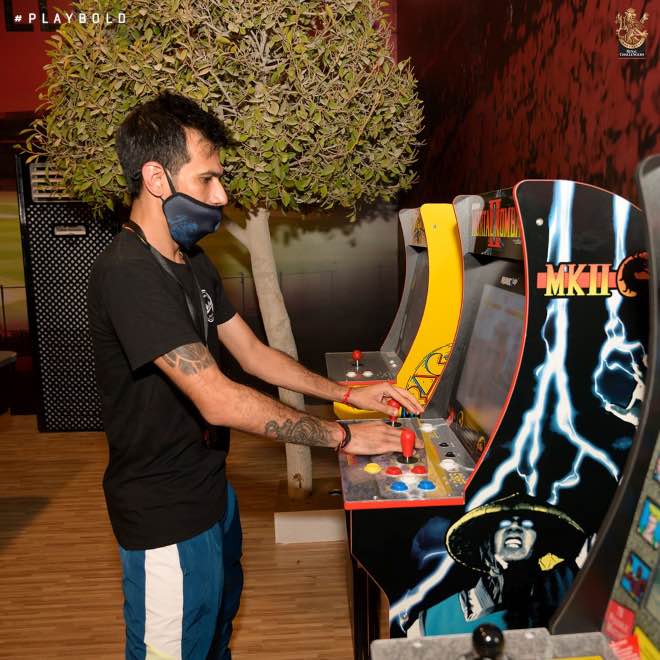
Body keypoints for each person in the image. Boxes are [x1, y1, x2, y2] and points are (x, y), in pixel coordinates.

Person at [87, 91, 423, 659]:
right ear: (155, 177)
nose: (221, 196)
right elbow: (216, 398)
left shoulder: (190, 261)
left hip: (211, 493)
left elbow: (253, 354)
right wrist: (342, 436)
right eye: (207, 180)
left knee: (216, 637)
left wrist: (349, 395)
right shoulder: (128, 274)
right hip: (163, 513)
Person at [419, 493, 585, 634]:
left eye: (527, 524)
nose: (515, 527)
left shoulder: (559, 595)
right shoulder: (432, 620)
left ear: (539, 542)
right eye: (503, 523)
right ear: (486, 539)